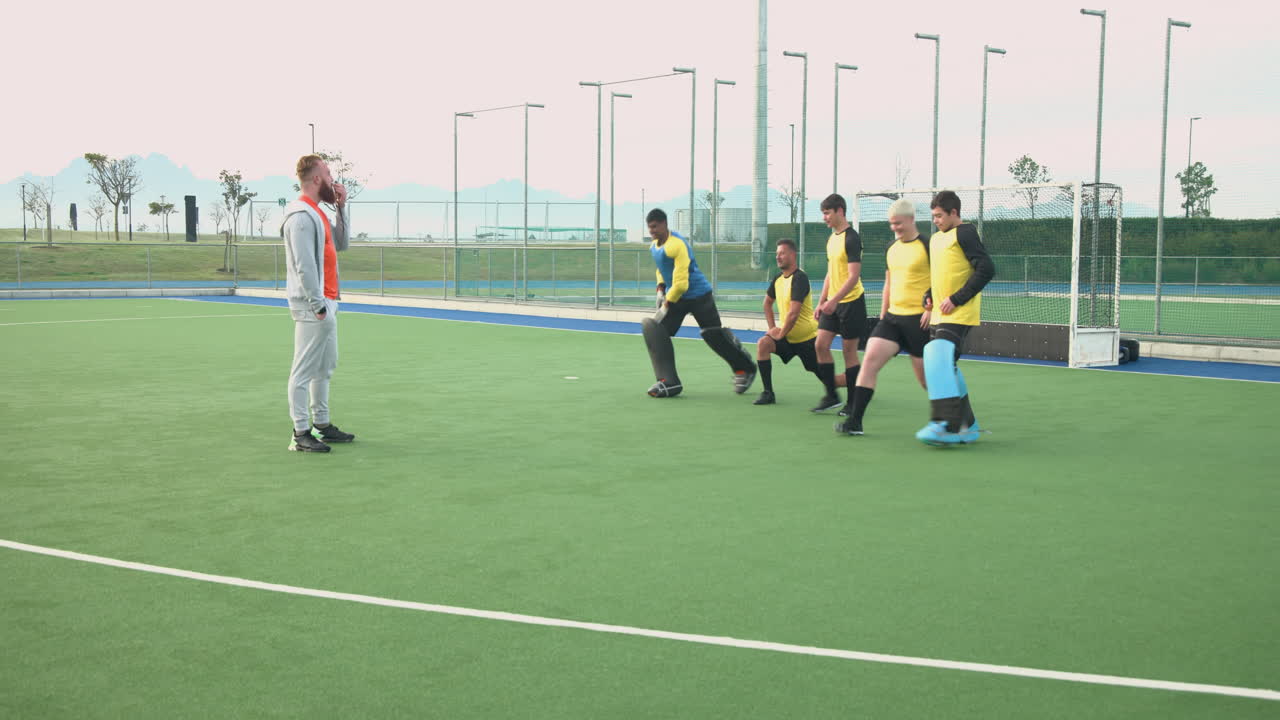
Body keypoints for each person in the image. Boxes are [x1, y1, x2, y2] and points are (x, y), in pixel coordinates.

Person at [836, 199, 932, 435]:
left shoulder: (928, 246)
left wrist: (931, 308)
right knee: (869, 361)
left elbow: (942, 280)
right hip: (892, 319)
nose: (895, 228)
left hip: (918, 321)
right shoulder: (892, 247)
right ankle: (855, 422)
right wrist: (882, 317)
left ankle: (956, 416)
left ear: (911, 220)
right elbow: (889, 283)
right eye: (891, 224)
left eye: (898, 223)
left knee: (926, 381)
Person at [641, 208, 756, 398]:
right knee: (657, 332)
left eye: (655, 226)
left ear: (664, 224)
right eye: (649, 227)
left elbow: (681, 283)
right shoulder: (654, 246)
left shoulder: (677, 245)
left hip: (699, 295)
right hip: (677, 297)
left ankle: (745, 368)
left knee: (713, 336)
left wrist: (666, 305)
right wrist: (660, 287)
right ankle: (668, 382)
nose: (652, 231)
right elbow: (661, 269)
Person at [282, 154, 355, 452]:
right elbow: (304, 265)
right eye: (327, 173)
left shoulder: (318, 213)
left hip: (326, 301)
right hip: (314, 305)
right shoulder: (300, 215)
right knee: (303, 370)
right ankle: (300, 433)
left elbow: (342, 244)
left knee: (325, 366)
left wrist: (341, 208)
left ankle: (321, 425)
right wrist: (318, 304)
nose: (332, 179)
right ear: (315, 179)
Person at [916, 190, 995, 446]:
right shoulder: (937, 239)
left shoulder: (965, 232)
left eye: (940, 216)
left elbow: (986, 269)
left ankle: (945, 425)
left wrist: (957, 298)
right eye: (934, 216)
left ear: (954, 213)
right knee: (945, 366)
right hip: (939, 312)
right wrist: (929, 296)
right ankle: (969, 427)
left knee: (938, 356)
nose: (936, 220)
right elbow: (939, 274)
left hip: (959, 311)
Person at [753, 239, 826, 406]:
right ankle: (768, 393)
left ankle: (857, 382)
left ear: (793, 255)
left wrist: (780, 333)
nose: (778, 257)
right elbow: (767, 303)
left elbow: (793, 313)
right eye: (777, 254)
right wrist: (772, 329)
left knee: (832, 380)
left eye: (782, 253)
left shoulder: (800, 278)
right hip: (786, 337)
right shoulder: (778, 278)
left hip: (807, 339)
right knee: (763, 343)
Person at [812, 193, 866, 413]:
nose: (825, 217)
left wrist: (834, 301)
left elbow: (853, 276)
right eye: (823, 213)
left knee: (848, 352)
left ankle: (852, 404)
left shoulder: (852, 238)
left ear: (840, 211)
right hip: (832, 304)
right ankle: (831, 395)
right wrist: (821, 301)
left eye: (827, 213)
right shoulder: (831, 238)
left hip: (851, 303)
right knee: (820, 345)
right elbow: (830, 273)